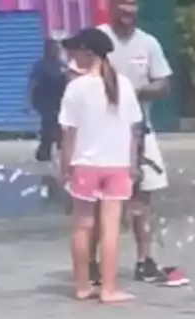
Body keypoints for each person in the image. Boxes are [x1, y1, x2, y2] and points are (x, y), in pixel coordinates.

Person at [96, 0, 189, 287]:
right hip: (104, 134)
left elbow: (164, 84)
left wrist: (135, 91)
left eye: (133, 5)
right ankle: (94, 265)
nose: (128, 11)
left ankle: (144, 261)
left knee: (143, 200)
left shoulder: (148, 43)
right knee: (100, 201)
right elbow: (76, 76)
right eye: (122, 4)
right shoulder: (98, 39)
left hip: (142, 131)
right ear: (111, 7)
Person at [58, 28, 143, 303]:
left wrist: (65, 166)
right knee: (110, 229)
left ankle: (83, 286)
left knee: (82, 227)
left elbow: (68, 133)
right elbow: (134, 130)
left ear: (89, 52)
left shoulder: (76, 88)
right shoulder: (124, 85)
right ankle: (109, 289)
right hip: (117, 166)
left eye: (75, 51)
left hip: (85, 165)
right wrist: (132, 165)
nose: (72, 56)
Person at [28, 38, 69, 163]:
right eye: (53, 48)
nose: (55, 50)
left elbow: (68, 82)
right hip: (46, 101)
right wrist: (32, 102)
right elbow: (33, 84)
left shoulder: (61, 65)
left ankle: (60, 152)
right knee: (48, 128)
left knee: (59, 128)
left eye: (57, 48)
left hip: (59, 101)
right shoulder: (41, 65)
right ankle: (45, 153)